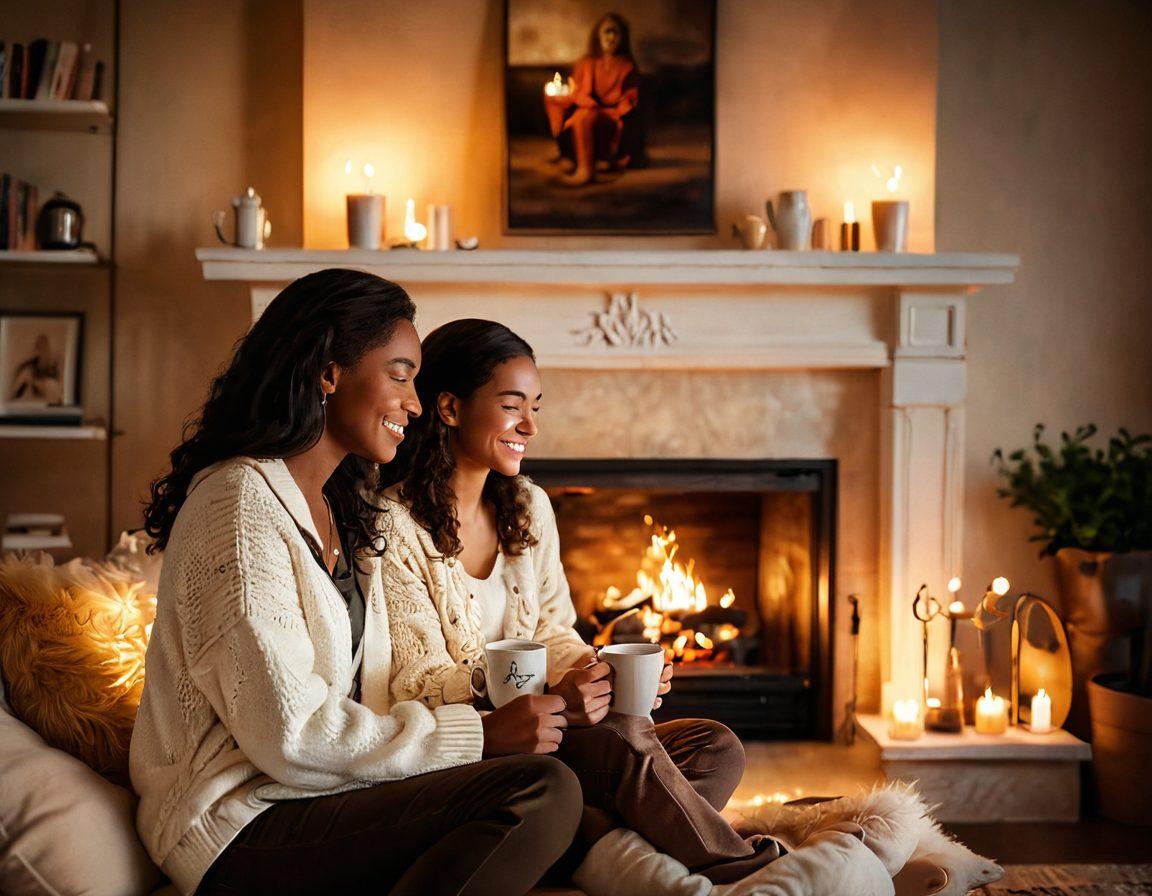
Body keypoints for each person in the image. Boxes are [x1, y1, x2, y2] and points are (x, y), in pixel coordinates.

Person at [130, 271, 582, 896]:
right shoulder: (239, 506)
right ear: (326, 372)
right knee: (542, 790)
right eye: (399, 375)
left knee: (582, 770)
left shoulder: (343, 506)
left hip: (332, 789)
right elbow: (289, 734)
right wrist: (476, 734)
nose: (417, 404)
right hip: (239, 824)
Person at [378, 319, 787, 886]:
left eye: (536, 407)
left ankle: (586, 842)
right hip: (472, 753)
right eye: (512, 405)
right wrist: (548, 695)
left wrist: (591, 672)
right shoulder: (393, 525)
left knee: (715, 748)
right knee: (624, 742)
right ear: (449, 408)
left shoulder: (528, 505)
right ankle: (750, 871)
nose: (530, 426)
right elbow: (412, 680)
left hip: (554, 739)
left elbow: (554, 628)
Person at [551, 12, 641, 186]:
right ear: (598, 35)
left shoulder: (627, 67)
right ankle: (582, 165)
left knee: (585, 116)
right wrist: (587, 104)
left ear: (622, 37)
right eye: (607, 31)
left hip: (612, 118)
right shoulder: (585, 63)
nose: (611, 37)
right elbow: (576, 91)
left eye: (615, 32)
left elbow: (629, 98)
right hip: (588, 112)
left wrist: (619, 111)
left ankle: (585, 171)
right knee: (582, 116)